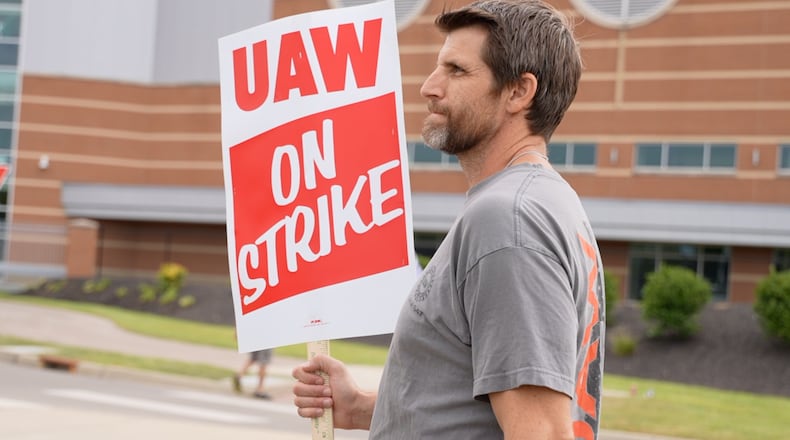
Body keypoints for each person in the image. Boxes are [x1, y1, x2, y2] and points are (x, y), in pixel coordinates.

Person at [292, 1, 605, 438]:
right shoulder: (541, 204)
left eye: (457, 71)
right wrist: (364, 408)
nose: (429, 87)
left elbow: (544, 433)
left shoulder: (508, 221)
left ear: (518, 92)